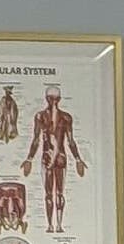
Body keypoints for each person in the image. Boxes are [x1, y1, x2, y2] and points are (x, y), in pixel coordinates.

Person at [24, 84, 86, 234]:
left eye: (55, 99)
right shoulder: (42, 116)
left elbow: (70, 141)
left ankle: (56, 225)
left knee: (57, 193)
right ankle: (52, 225)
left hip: (57, 158)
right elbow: (36, 140)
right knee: (53, 193)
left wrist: (78, 159)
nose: (53, 102)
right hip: (52, 157)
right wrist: (29, 159)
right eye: (52, 99)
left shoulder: (63, 117)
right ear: (47, 99)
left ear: (59, 99)